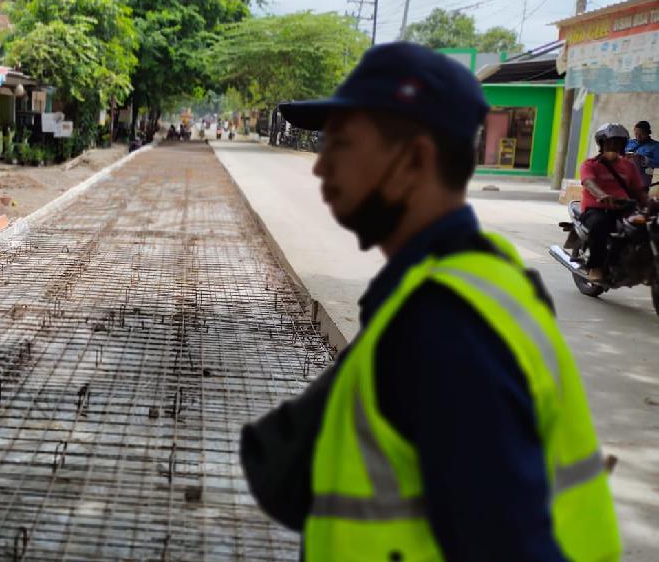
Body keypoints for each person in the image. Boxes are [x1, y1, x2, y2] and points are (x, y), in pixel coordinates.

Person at [244, 42, 619, 561]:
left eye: (344, 145)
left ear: (413, 160)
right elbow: (286, 472)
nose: (321, 167)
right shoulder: (470, 281)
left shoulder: (447, 325)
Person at [580, 123, 648, 283]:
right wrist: (603, 195)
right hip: (596, 209)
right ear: (602, 143)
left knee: (645, 227)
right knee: (600, 225)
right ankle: (595, 266)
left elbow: (638, 191)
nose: (615, 145)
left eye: (619, 142)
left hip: (624, 208)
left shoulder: (629, 166)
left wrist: (649, 202)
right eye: (611, 141)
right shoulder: (590, 164)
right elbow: (589, 182)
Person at [626, 119, 659, 188]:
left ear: (648, 133)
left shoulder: (656, 146)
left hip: (642, 180)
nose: (638, 137)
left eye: (641, 134)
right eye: (636, 134)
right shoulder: (629, 143)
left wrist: (644, 159)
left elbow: (657, 163)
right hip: (625, 178)